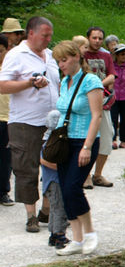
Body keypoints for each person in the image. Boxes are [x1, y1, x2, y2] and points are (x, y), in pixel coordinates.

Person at [0, 16, 60, 233]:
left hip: (52, 122)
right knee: (27, 168)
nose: (48, 40)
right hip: (25, 122)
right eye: (45, 35)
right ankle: (30, 215)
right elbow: (2, 86)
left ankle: (46, 209)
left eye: (50, 36)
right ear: (31, 33)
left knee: (53, 166)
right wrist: (29, 83)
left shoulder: (51, 55)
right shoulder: (16, 55)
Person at [50, 40, 102, 255]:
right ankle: (77, 239)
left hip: (84, 140)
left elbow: (97, 115)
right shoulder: (65, 82)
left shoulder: (91, 81)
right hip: (65, 141)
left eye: (64, 60)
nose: (61, 64)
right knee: (65, 188)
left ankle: (90, 233)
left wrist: (87, 146)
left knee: (73, 186)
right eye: (58, 61)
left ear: (76, 57)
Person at [82, 26, 116, 188]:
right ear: (88, 38)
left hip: (103, 102)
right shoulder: (81, 55)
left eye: (100, 38)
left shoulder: (106, 55)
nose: (97, 41)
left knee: (107, 137)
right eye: (94, 38)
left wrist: (98, 85)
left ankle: (98, 174)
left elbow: (111, 75)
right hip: (86, 104)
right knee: (85, 138)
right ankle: (85, 175)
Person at [39, 110, 69, 249]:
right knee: (59, 208)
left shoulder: (49, 140)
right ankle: (59, 235)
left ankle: (53, 234)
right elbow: (44, 161)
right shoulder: (53, 142)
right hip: (54, 181)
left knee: (55, 207)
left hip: (50, 181)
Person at [0, 34, 12, 207]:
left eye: (0, 51)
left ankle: (3, 191)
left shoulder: (10, 69)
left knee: (5, 157)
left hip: (7, 117)